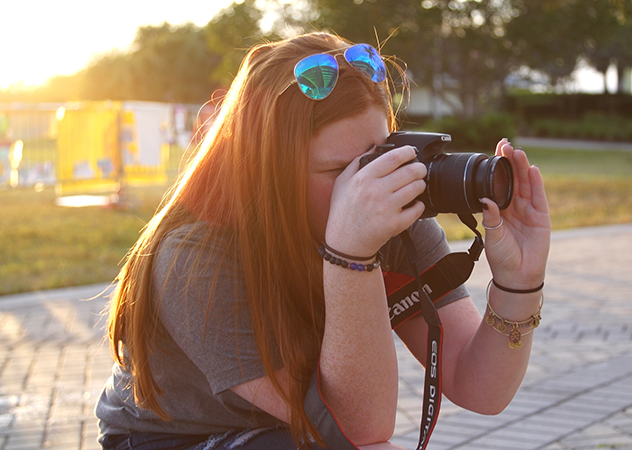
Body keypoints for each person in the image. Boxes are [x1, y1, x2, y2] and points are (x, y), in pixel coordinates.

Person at [95, 32, 551, 450]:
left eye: (376, 158)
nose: (367, 184)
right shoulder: (196, 255)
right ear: (268, 174)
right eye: (338, 170)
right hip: (171, 440)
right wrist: (351, 256)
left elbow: (480, 388)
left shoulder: (389, 211)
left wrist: (519, 281)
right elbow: (359, 428)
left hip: (286, 432)